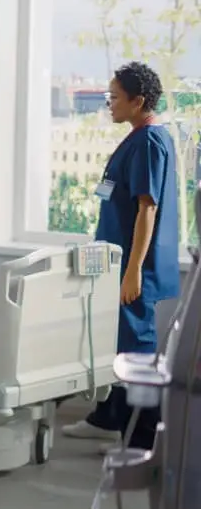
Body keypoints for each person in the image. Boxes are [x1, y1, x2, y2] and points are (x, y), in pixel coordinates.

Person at [61, 61, 180, 453]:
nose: (108, 104)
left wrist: (132, 274)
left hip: (134, 269)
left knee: (136, 353)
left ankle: (142, 441)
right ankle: (107, 418)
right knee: (115, 345)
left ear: (138, 100)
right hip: (119, 263)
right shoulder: (137, 136)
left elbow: (148, 209)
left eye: (114, 97)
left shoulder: (148, 141)